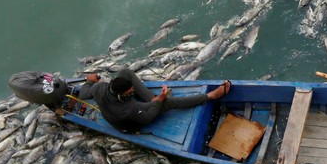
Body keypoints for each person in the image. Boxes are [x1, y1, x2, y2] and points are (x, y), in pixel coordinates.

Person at [79, 68, 229, 133]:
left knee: (125, 72)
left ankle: (152, 97)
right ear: (122, 94)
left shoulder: (99, 88)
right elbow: (147, 117)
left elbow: (83, 94)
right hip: (131, 124)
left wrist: (89, 81)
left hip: (120, 108)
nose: (133, 90)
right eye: (130, 91)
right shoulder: (128, 108)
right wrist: (160, 100)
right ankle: (210, 96)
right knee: (167, 102)